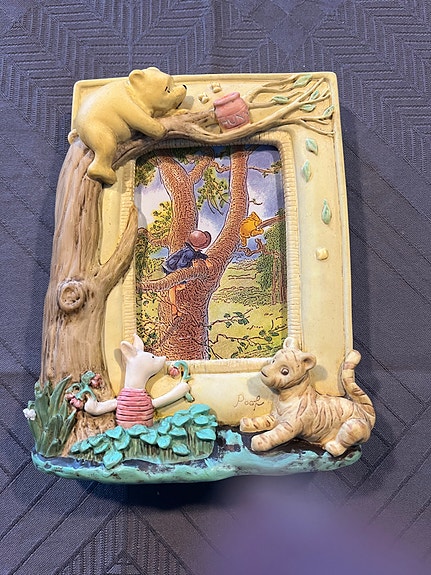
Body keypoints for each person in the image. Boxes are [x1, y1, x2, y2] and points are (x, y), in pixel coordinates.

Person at [162, 230, 212, 317]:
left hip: (173, 267)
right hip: (171, 268)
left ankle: (174, 307)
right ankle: (173, 308)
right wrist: (184, 276)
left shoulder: (192, 250)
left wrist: (206, 259)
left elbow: (198, 254)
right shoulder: (189, 253)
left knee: (179, 287)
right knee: (175, 287)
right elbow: (181, 266)